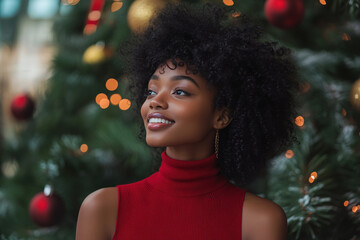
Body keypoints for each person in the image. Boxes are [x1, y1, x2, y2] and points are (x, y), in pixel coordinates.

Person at [76, 2, 301, 240]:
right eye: (151, 91)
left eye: (180, 92)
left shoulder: (260, 220)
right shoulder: (102, 209)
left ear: (222, 115)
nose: (155, 101)